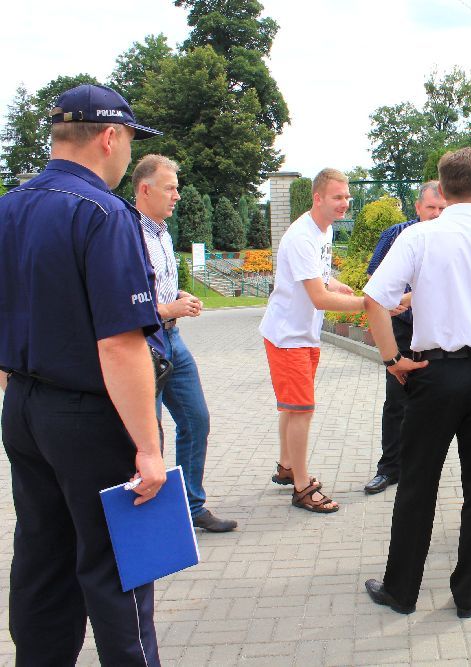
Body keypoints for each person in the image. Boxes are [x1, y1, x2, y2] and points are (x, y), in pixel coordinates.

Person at [0, 84, 166, 665]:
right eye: (127, 143)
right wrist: (148, 446)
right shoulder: (103, 213)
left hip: (24, 406)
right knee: (120, 566)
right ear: (110, 136)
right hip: (90, 416)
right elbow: (120, 344)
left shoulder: (9, 205)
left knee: (43, 558)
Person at [362, 147, 471, 619]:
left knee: (418, 483)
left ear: (440, 190)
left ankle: (402, 592)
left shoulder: (421, 236)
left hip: (433, 374)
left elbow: (375, 300)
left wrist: (392, 359)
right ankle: (468, 597)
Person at [133, 154, 238, 532]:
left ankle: (192, 506)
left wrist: (176, 295)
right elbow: (127, 302)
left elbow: (153, 286)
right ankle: (154, 518)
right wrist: (168, 307)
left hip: (172, 339)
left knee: (196, 419)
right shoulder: (129, 233)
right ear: (145, 189)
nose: (178, 195)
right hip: (144, 346)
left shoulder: (161, 231)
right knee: (151, 434)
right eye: (170, 188)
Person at [259, 168, 366, 513]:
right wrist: (368, 304)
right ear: (317, 198)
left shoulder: (324, 230)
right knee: (302, 409)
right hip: (289, 336)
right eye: (338, 197)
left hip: (303, 334)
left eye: (347, 197)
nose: (344, 203)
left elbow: (318, 279)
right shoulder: (301, 236)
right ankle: (302, 486)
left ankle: (287, 465)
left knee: (293, 407)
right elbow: (318, 299)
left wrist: (335, 282)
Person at [363, 181, 447, 494]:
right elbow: (374, 278)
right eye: (431, 208)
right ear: (418, 208)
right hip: (401, 327)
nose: (437, 214)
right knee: (396, 400)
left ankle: (422, 467)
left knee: (436, 401)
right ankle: (389, 468)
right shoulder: (397, 234)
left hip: (436, 330)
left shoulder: (451, 238)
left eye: (442, 209)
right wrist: (395, 298)